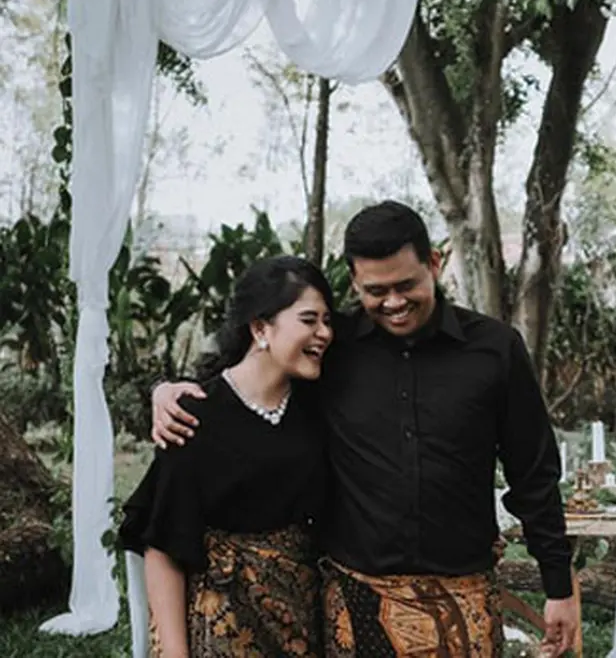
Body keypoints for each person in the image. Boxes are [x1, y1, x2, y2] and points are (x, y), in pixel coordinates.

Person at [150, 200, 578, 658]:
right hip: (355, 605)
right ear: (354, 282)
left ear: (435, 263)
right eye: (376, 290)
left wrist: (559, 585)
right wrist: (170, 390)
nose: (393, 303)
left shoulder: (496, 350)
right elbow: (255, 376)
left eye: (406, 285)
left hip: (465, 600)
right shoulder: (331, 350)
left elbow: (533, 474)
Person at [121, 255, 335, 657]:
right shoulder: (192, 416)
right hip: (220, 628)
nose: (324, 333)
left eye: (328, 321)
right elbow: (164, 546)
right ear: (260, 328)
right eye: (309, 320)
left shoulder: (317, 406)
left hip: (300, 625)